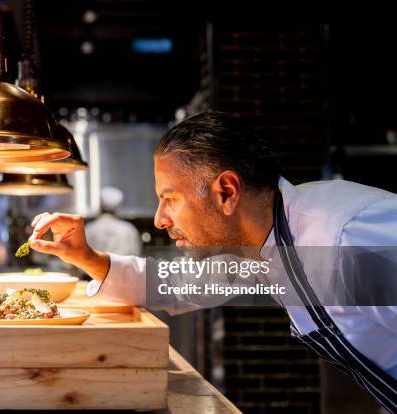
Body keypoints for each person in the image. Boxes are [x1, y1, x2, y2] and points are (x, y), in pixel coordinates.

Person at [28, 111, 397, 412]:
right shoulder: (259, 245)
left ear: (226, 192)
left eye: (170, 199)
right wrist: (85, 256)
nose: (160, 219)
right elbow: (175, 285)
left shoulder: (347, 238)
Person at [85, 186, 141, 257]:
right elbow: (135, 258)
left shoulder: (88, 229)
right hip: (121, 268)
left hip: (91, 268)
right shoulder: (129, 230)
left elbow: (80, 257)